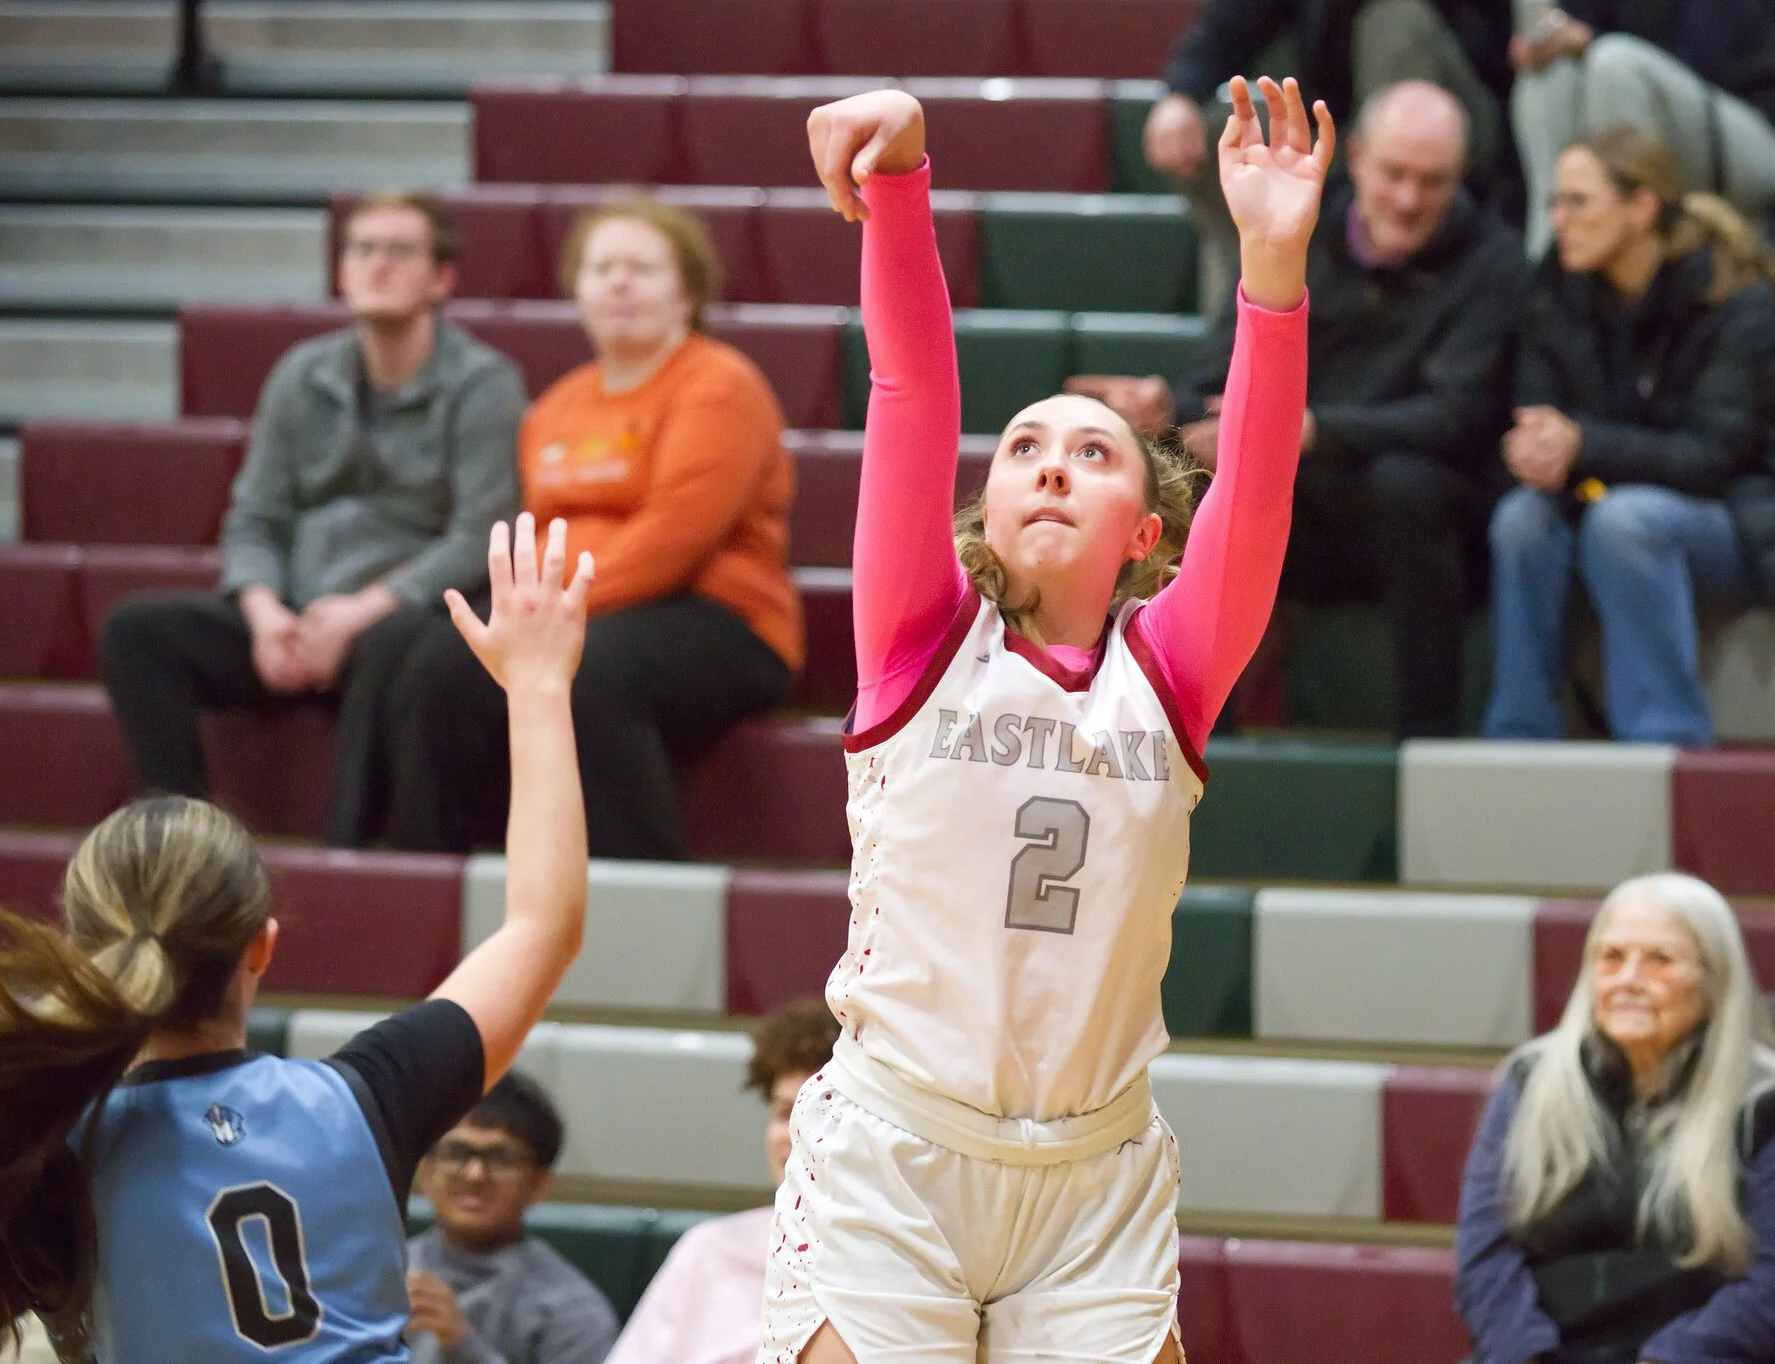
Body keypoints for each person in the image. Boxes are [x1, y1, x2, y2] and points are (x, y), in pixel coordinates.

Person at [761, 78, 1325, 1364]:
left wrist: (1272, 264)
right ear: (987, 501)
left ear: (1145, 533)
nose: (1053, 461)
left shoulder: (1172, 666)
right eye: (1023, 446)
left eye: (1093, 449)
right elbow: (908, 389)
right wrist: (899, 173)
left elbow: (1261, 483)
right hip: (895, 1156)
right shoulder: (918, 634)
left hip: (1094, 1174)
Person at [0, 513, 596, 1364]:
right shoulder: (365, 1099)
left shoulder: (65, 1160)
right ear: (262, 947)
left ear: (86, 951)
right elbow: (545, 924)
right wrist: (536, 688)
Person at [1087, 81, 1526, 737]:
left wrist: (1314, 431)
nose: (1409, 200)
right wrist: (1167, 405)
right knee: (1184, 470)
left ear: (1461, 178)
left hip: (1423, 515)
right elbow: (1221, 374)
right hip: (1299, 505)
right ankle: (1188, 733)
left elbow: (1456, 416)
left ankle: (1424, 742)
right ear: (1355, 157)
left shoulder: (1493, 263)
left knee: (1405, 485)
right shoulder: (1300, 229)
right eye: (1395, 174)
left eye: (1432, 182)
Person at [99, 191, 527, 849]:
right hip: (295, 618)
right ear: (340, 271)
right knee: (137, 631)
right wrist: (266, 615)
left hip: (398, 624)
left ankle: (343, 856)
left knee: (398, 645)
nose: (377, 266)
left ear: (442, 279)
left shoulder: (484, 384)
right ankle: (181, 851)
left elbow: (479, 534)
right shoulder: (301, 375)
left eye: (399, 251)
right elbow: (254, 518)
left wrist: (361, 612)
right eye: (362, 250)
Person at [384, 198, 801, 861]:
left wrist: (545, 617)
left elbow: (674, 541)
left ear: (687, 292)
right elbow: (536, 533)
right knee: (434, 661)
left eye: (642, 267)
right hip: (581, 614)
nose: (618, 283)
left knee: (592, 669)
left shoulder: (721, 384)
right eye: (601, 267)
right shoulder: (555, 407)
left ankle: (643, 899)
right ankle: (431, 884)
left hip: (722, 621)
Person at [1481, 125, 1775, 745]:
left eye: (1578, 202)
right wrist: (1534, 450)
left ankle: (1663, 741)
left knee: (1627, 520)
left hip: (1734, 521)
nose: (1559, 220)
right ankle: (1518, 735)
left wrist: (1582, 445)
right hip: (1599, 496)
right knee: (1521, 519)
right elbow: (1536, 410)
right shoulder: (1556, 287)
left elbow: (1717, 457)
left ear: (1641, 208)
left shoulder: (1731, 300)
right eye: (1555, 203)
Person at [1454, 872, 1775, 1364]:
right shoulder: (1527, 1082)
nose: (1629, 980)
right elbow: (1485, 1259)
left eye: (1660, 961)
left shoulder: (1761, 1101)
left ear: (1713, 986)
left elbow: (1767, 1285)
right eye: (1612, 958)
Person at [1145, 0, 1509, 315]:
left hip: (1456, 118)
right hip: (1336, 125)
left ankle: (1395, 265)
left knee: (1395, 22)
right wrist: (1182, 95)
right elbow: (1233, 21)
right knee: (1221, 145)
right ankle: (1252, 304)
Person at [607, 1000, 841, 1364]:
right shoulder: (709, 1251)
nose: (795, 1133)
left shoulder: (911, 1260)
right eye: (783, 1113)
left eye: (820, 1113)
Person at [1509, 0, 1775, 258]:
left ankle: (1639, 242)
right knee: (1547, 81)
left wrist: (1588, 39)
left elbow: (1704, 54)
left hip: (1753, 133)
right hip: (1640, 102)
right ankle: (1547, 259)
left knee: (1614, 64)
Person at [401, 1072, 620, 1364]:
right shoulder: (374, 1276)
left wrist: (462, 1345)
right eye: (457, 1153)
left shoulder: (573, 1309)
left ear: (540, 1185)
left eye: (501, 1158)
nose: (475, 1174)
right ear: (425, 1171)